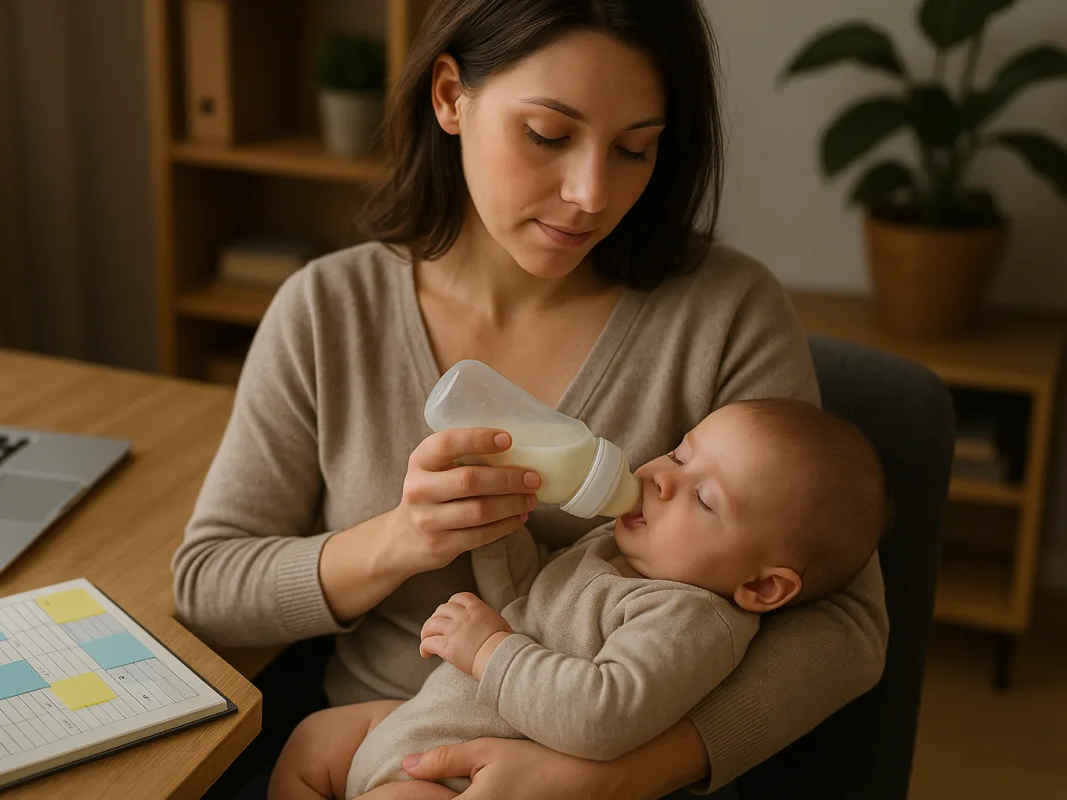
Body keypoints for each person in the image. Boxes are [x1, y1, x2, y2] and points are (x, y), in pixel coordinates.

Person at [173, 1, 889, 797]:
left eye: (635, 148)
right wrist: (403, 538)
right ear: (451, 96)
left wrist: (603, 778)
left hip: (604, 756)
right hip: (376, 734)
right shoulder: (328, 311)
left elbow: (845, 626)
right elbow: (208, 585)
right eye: (548, 134)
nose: (591, 193)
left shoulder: (727, 314)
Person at [267, 398, 889, 799]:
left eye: (704, 499)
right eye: (680, 452)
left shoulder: (689, 618)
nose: (662, 478)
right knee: (312, 742)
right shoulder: (615, 548)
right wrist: (500, 531)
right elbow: (531, 604)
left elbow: (602, 715)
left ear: (761, 586)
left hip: (465, 776)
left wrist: (488, 650)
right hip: (422, 721)